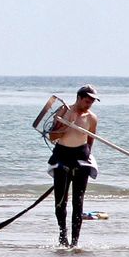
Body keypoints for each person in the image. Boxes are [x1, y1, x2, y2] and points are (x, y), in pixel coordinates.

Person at [48, 85, 100, 247]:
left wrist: (86, 155)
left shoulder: (92, 118)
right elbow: (52, 136)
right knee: (60, 201)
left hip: (81, 158)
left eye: (92, 101)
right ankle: (63, 236)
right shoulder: (64, 112)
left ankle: (75, 242)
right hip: (62, 156)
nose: (89, 104)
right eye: (87, 100)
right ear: (79, 97)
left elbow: (90, 139)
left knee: (78, 202)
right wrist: (65, 126)